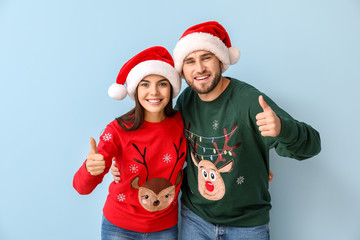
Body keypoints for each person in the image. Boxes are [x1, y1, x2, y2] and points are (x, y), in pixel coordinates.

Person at [111, 21, 321, 239]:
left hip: (247, 225)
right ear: (182, 70)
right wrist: (121, 163)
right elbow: (161, 142)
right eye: (190, 61)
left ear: (221, 60)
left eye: (206, 58)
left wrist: (282, 129)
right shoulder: (186, 100)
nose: (199, 68)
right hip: (195, 219)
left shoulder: (248, 101)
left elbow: (312, 146)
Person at [73, 46, 186, 240]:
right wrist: (90, 168)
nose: (154, 92)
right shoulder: (117, 130)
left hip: (165, 228)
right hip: (119, 228)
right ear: (135, 89)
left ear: (172, 88)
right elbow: (81, 188)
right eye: (144, 84)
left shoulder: (181, 122)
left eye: (162, 84)